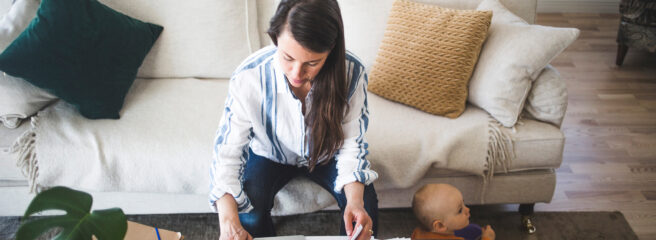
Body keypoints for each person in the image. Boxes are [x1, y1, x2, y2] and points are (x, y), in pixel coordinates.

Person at [208, 0, 378, 239]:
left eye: (312, 63)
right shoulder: (249, 77)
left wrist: (355, 203)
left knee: (365, 210)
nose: (296, 74)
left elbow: (352, 144)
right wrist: (227, 220)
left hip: (327, 153)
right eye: (288, 57)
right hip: (270, 154)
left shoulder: (352, 73)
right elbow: (227, 152)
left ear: (331, 52)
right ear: (275, 38)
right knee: (249, 215)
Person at [411, 184, 495, 240]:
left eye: (463, 203)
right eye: (460, 210)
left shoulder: (417, 232)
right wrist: (487, 238)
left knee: (473, 229)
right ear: (440, 226)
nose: (467, 209)